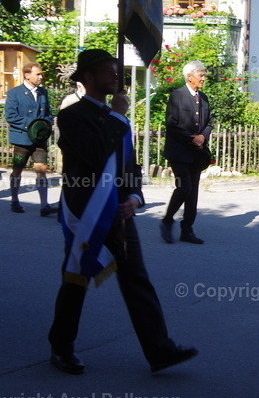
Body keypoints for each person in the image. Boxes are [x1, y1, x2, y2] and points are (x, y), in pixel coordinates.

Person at [47, 49, 197, 375]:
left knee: (137, 280)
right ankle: (61, 347)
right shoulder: (72, 116)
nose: (116, 76)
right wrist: (116, 117)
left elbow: (128, 165)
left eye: (116, 70)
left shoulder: (119, 119)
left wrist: (135, 196)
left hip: (119, 212)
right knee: (77, 279)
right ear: (87, 77)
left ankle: (160, 350)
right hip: (87, 214)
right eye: (107, 71)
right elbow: (95, 154)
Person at [160, 61, 212, 244]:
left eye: (204, 75)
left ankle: (187, 230)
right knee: (184, 187)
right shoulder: (177, 96)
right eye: (201, 75)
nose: (203, 78)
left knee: (193, 192)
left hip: (197, 153)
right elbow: (172, 124)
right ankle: (167, 220)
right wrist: (192, 138)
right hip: (179, 151)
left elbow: (209, 122)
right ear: (189, 76)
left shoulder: (203, 98)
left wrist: (203, 137)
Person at [4, 62, 57, 216]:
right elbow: (11, 116)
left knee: (41, 170)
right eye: (38, 74)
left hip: (39, 139)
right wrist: (33, 126)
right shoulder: (15, 93)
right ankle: (14, 200)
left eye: (41, 74)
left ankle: (44, 205)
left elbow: (48, 113)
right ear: (27, 75)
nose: (41, 76)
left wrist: (46, 123)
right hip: (22, 138)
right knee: (17, 170)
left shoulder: (43, 92)